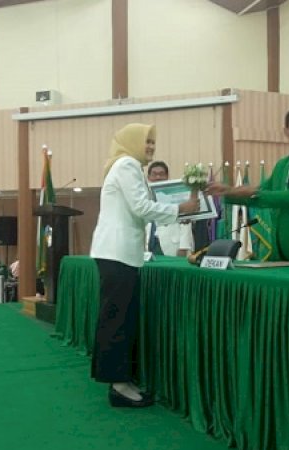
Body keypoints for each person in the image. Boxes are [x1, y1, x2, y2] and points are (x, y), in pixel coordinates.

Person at [90, 123, 199, 408]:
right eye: (146, 142)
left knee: (118, 317)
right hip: (118, 253)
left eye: (153, 142)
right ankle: (119, 386)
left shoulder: (127, 166)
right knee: (118, 319)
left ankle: (120, 380)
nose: (150, 147)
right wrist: (180, 209)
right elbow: (141, 208)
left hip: (117, 253)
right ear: (131, 142)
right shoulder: (127, 165)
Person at [207, 105, 289, 264]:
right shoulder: (282, 165)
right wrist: (227, 192)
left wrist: (253, 193)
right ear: (286, 131)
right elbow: (261, 190)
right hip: (280, 251)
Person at [146, 161, 194, 257]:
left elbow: (186, 222)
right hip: (150, 244)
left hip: (173, 245)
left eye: (161, 174)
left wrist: (183, 247)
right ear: (149, 177)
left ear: (167, 176)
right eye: (154, 174)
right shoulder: (144, 195)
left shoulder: (175, 194)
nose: (158, 177)